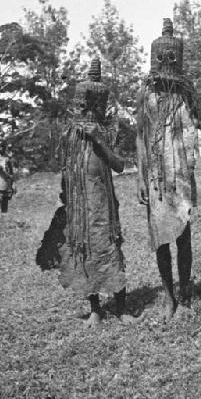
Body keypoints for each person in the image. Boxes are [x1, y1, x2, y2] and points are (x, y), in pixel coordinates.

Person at [36, 59, 132, 328]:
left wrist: (98, 140)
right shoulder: (70, 134)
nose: (86, 109)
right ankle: (95, 310)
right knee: (82, 249)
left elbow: (120, 165)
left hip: (102, 204)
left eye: (91, 105)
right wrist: (65, 200)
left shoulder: (108, 129)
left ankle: (122, 307)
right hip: (78, 205)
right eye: (82, 104)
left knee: (110, 248)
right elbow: (64, 167)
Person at [136, 18, 201, 321]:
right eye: (162, 57)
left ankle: (185, 292)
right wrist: (141, 178)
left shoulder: (186, 94)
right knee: (161, 237)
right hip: (155, 176)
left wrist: (200, 112)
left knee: (183, 235)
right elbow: (140, 136)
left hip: (181, 173)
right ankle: (168, 297)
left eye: (171, 57)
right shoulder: (146, 94)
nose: (166, 62)